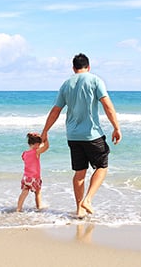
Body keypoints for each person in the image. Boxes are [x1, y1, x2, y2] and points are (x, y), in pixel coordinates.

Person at [41, 53, 122, 218]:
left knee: (80, 173)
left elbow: (56, 110)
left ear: (73, 68)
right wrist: (116, 127)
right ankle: (88, 200)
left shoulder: (66, 84)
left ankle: (79, 210)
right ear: (88, 67)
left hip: (73, 136)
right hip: (92, 135)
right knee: (102, 167)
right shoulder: (95, 80)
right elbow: (107, 105)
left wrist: (45, 131)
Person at [16, 132, 49, 212]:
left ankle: (18, 208)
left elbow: (26, 159)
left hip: (26, 178)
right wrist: (46, 138)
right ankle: (39, 207)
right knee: (37, 192)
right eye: (39, 144)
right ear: (37, 144)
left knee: (24, 192)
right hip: (34, 178)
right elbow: (46, 147)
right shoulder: (36, 152)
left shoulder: (24, 154)